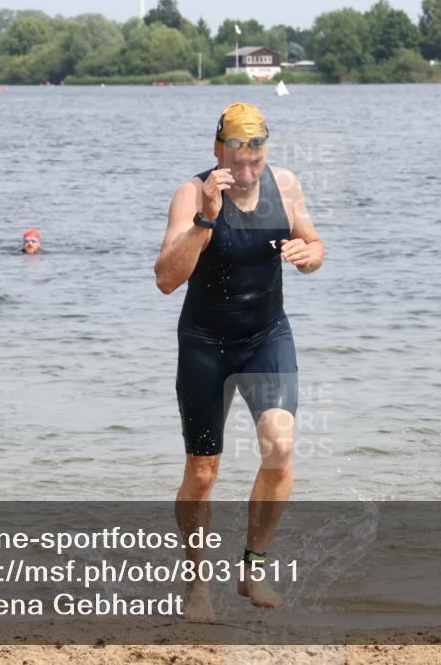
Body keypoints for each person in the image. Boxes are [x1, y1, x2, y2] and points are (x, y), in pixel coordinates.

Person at [154, 102, 324, 621]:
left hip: (266, 337)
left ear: (266, 151)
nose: (248, 172)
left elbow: (314, 245)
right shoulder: (192, 192)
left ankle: (253, 567)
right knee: (203, 475)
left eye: (256, 158)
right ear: (218, 150)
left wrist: (307, 257)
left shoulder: (286, 186)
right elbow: (166, 278)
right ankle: (198, 585)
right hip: (205, 343)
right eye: (237, 159)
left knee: (281, 444)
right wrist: (206, 216)